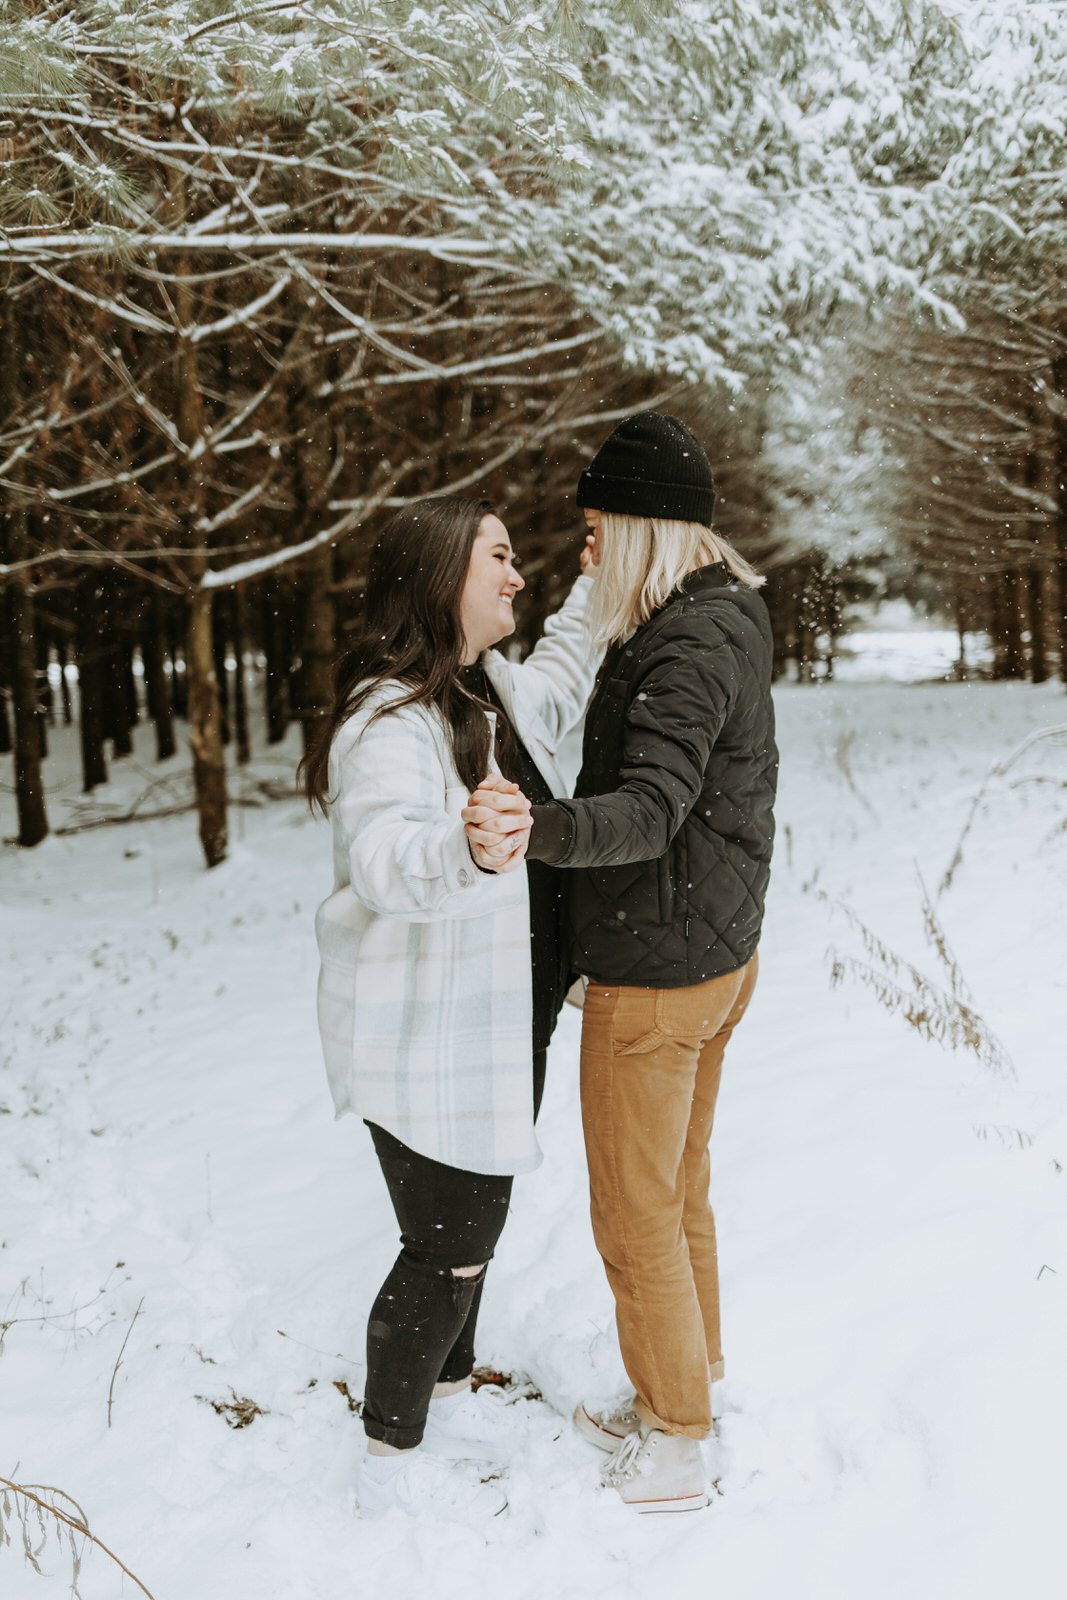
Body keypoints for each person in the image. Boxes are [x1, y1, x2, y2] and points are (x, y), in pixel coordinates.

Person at [464, 412, 778, 1515]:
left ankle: (678, 1443)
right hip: (709, 952)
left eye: (597, 529)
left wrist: (533, 832)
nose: (582, 552)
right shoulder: (716, 612)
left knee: (631, 1210)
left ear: (644, 527)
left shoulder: (684, 644)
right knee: (675, 1190)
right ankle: (685, 1389)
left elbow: (646, 813)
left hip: (660, 969)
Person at [301, 496, 598, 1526]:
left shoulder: (487, 687)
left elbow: (562, 680)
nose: (518, 576)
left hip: (498, 1019)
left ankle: (449, 1394)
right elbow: (386, 855)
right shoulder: (389, 719)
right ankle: (387, 1457)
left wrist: (606, 576)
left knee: (478, 1218)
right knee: (448, 1243)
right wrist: (465, 847)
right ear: (438, 577)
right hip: (423, 1034)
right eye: (498, 559)